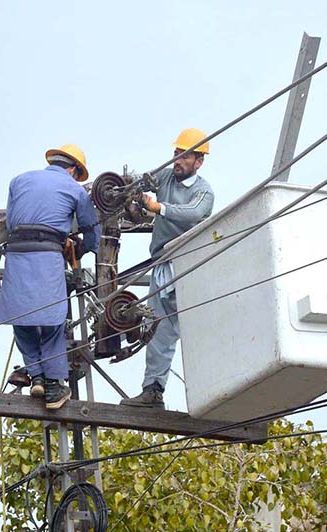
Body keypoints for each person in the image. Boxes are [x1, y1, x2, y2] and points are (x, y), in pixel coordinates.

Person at [0, 144, 100, 409]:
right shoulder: (76, 190)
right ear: (74, 169)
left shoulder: (18, 181)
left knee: (21, 319)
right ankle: (55, 384)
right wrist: (79, 248)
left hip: (17, 254)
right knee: (54, 321)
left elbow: (10, 223)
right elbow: (92, 233)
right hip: (47, 256)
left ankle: (37, 377)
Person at [121, 128, 215, 409]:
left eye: (185, 156)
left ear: (199, 162)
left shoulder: (203, 192)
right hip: (163, 265)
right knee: (158, 329)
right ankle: (153, 390)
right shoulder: (166, 177)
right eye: (176, 154)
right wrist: (130, 185)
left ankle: (213, 390)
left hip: (188, 264)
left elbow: (193, 214)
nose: (178, 161)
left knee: (197, 329)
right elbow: (143, 182)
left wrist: (158, 207)